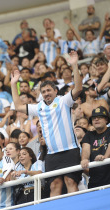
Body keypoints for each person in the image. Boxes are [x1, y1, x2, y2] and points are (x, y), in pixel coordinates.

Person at [11, 51, 82, 197]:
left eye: (49, 90)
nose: (46, 93)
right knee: (54, 185)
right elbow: (18, 106)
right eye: (43, 91)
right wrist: (13, 84)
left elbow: (79, 88)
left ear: (56, 91)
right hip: (51, 154)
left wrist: (74, 65)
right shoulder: (39, 107)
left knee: (70, 182)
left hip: (70, 150)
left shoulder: (64, 101)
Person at [81, 107, 110, 188]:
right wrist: (84, 159)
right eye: (94, 118)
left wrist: (104, 158)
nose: (96, 119)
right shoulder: (89, 135)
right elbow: (85, 149)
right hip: (94, 181)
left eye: (100, 117)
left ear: (106, 120)